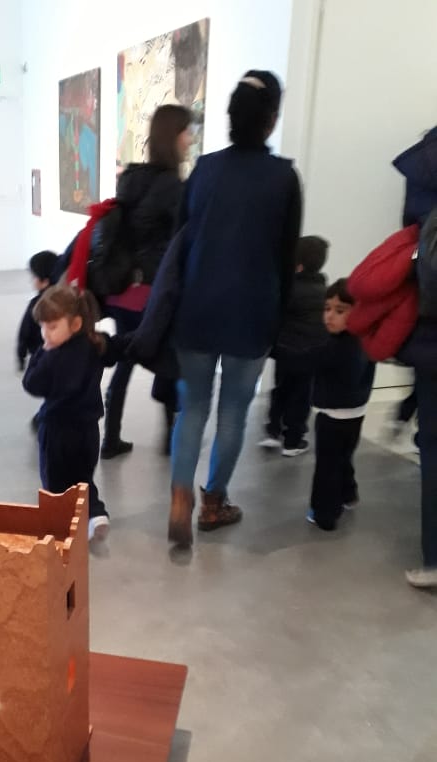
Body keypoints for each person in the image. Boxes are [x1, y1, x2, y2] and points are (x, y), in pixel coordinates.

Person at [165, 71, 302, 547]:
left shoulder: (204, 170)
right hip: (252, 314)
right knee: (233, 414)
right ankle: (214, 502)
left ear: (229, 116)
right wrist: (279, 319)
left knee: (192, 408)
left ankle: (179, 500)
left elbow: (180, 241)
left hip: (197, 310)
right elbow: (286, 258)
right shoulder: (283, 177)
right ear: (272, 118)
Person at [100, 105, 193, 459]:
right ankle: (171, 436)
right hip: (153, 290)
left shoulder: (130, 177)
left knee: (126, 358)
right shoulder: (173, 186)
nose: (190, 139)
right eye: (186, 132)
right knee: (168, 360)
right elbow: (179, 241)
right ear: (174, 136)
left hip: (122, 287)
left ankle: (111, 437)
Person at [22, 285, 123, 543]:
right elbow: (114, 350)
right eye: (43, 327)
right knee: (82, 478)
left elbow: (31, 383)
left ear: (75, 324)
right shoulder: (94, 343)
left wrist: (41, 352)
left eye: (52, 326)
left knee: (55, 483)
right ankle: (96, 515)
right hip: (88, 430)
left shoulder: (54, 357)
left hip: (57, 430)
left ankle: (60, 532)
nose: (45, 333)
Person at [394, 126, 437, 587]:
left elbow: (409, 244)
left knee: (434, 446)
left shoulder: (424, 164)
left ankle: (434, 559)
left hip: (432, 328)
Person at [306, 279, 374, 531]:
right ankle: (348, 494)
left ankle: (325, 513)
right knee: (343, 456)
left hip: (332, 414)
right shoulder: (365, 339)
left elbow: (310, 362)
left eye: (340, 310)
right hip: (356, 411)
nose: (329, 316)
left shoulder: (336, 346)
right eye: (327, 308)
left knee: (327, 465)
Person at [261, 235, 329, 455]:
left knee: (281, 389)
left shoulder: (287, 288)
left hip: (284, 350)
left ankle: (273, 430)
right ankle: (293, 440)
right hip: (310, 354)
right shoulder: (324, 292)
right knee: (301, 396)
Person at [17, 250, 58, 433]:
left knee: (51, 390)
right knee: (56, 389)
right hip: (60, 357)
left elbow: (24, 332)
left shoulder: (37, 304)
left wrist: (21, 354)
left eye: (33, 277)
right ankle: (44, 416)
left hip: (42, 356)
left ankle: (42, 417)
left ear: (44, 281)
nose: (32, 281)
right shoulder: (65, 301)